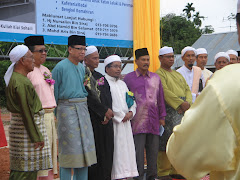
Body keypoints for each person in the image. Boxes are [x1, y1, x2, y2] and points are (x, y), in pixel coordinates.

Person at [4, 45, 52, 180]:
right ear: (21, 60)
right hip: (27, 131)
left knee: (23, 169)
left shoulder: (18, 79)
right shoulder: (21, 82)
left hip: (23, 129)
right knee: (25, 171)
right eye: (31, 57)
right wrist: (36, 136)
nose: (33, 60)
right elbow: (26, 112)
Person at [52, 35, 97, 180]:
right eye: (79, 49)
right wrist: (56, 113)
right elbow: (54, 93)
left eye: (84, 49)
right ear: (70, 49)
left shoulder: (81, 68)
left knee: (84, 152)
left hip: (82, 111)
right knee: (69, 152)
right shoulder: (60, 67)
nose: (83, 52)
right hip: (67, 111)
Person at [124, 48, 166, 180]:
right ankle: (138, 177)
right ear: (136, 61)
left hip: (153, 121)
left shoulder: (155, 78)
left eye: (148, 60)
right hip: (137, 122)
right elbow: (125, 99)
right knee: (138, 154)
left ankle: (152, 177)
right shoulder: (129, 79)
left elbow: (160, 99)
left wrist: (162, 117)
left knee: (153, 152)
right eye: (143, 60)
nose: (146, 62)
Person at [156, 46, 192, 180]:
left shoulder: (177, 74)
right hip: (169, 111)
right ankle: (163, 171)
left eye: (172, 56)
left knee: (178, 141)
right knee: (166, 140)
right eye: (168, 57)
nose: (171, 59)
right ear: (160, 58)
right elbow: (164, 91)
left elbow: (187, 89)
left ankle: (175, 169)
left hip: (182, 111)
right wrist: (180, 104)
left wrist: (187, 103)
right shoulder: (159, 74)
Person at [24, 36, 58, 180]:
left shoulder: (45, 70)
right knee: (39, 154)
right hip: (37, 117)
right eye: (40, 51)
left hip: (50, 117)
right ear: (30, 53)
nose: (44, 53)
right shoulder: (27, 72)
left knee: (49, 155)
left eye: (45, 50)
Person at [104, 55, 138, 180]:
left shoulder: (123, 84)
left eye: (120, 66)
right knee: (117, 151)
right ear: (107, 68)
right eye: (115, 66)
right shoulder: (104, 83)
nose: (119, 69)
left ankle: (127, 175)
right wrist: (120, 116)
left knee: (127, 151)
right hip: (114, 123)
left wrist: (131, 112)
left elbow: (131, 100)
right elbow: (107, 103)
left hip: (126, 123)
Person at [84, 46, 114, 180]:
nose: (97, 61)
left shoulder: (99, 77)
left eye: (98, 58)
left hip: (105, 120)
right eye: (94, 58)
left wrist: (107, 112)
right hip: (92, 120)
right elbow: (88, 98)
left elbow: (107, 96)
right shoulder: (83, 76)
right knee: (95, 154)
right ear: (86, 60)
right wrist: (102, 112)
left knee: (106, 153)